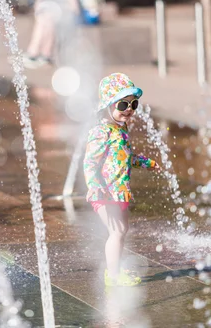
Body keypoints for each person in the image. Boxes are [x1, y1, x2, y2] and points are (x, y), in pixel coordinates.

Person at [83, 73, 159, 287]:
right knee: (117, 232)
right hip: (105, 192)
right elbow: (90, 162)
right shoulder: (101, 131)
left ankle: (115, 269)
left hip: (118, 191)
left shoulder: (120, 130)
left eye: (133, 104)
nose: (129, 109)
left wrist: (146, 163)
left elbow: (125, 157)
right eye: (123, 104)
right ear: (107, 106)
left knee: (120, 232)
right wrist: (95, 186)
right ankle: (113, 275)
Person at [23, 0, 80, 69]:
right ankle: (41, 54)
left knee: (44, 31)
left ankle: (38, 54)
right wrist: (76, 10)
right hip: (51, 9)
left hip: (48, 9)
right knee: (47, 32)